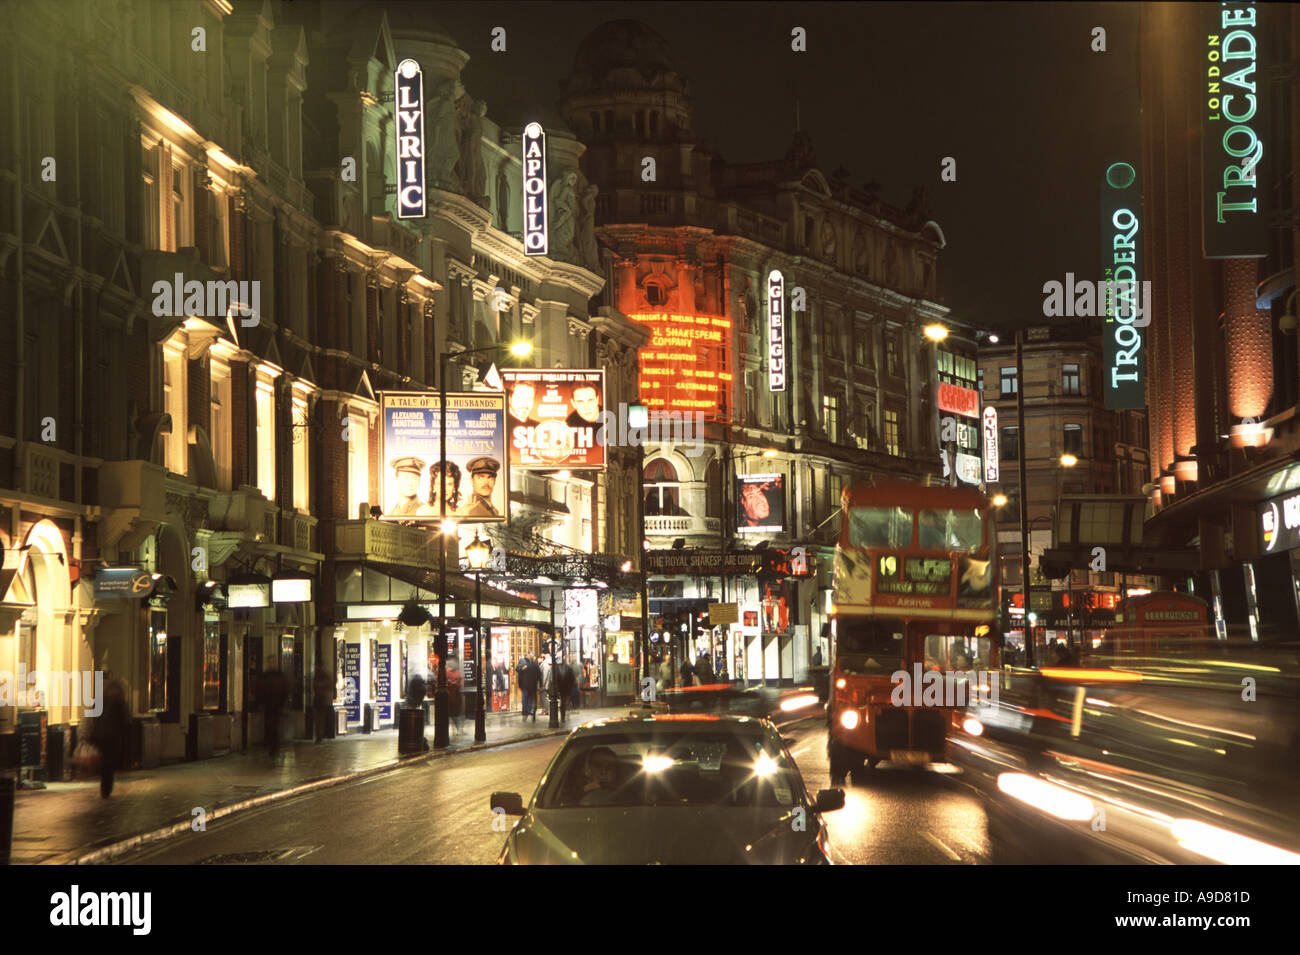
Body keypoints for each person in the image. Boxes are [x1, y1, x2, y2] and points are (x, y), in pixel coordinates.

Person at [94, 680, 131, 798]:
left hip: (103, 736)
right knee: (109, 764)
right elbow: (125, 721)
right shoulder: (120, 702)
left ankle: (105, 787)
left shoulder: (100, 701)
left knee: (106, 763)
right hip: (113, 738)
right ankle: (106, 788)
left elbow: (94, 718)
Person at [261, 667, 289, 757]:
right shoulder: (269, 676)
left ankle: (273, 745)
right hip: (272, 706)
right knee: (273, 726)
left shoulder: (276, 677)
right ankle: (274, 745)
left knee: (273, 726)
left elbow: (285, 691)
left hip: (274, 706)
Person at [312, 663, 334, 743]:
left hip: (320, 700)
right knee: (319, 719)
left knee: (319, 719)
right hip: (321, 700)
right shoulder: (321, 676)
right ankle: (319, 736)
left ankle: (319, 736)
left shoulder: (320, 676)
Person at [516, 654, 537, 718]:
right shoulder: (522, 660)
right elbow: (517, 669)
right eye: (531, 655)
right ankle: (524, 711)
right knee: (525, 697)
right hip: (524, 683)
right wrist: (523, 668)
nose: (532, 656)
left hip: (530, 683)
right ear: (528, 655)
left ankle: (529, 710)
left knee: (530, 697)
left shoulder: (532, 662)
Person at [447, 656, 464, 733]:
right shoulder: (447, 671)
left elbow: (461, 682)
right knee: (453, 714)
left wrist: (455, 683)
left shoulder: (457, 672)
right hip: (450, 697)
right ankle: (455, 729)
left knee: (456, 714)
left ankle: (457, 729)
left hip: (456, 696)